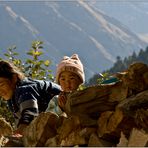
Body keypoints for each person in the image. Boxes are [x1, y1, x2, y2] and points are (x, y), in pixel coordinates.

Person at [0, 60, 61, 135]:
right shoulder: (11, 99)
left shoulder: (25, 89)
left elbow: (30, 113)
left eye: (1, 85)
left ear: (14, 78)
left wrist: (20, 132)